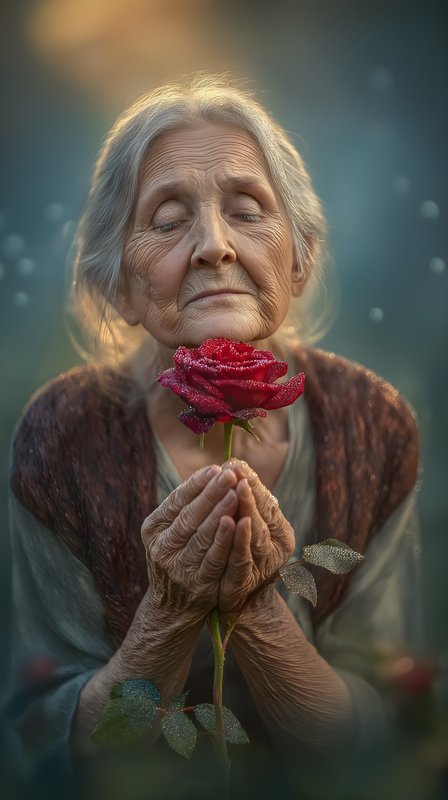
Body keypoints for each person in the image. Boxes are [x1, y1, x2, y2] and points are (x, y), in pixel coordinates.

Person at [5, 77, 422, 789]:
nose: (215, 246)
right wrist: (169, 613)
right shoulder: (62, 435)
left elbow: (383, 733)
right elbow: (53, 743)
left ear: (299, 259)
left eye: (248, 211)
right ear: (119, 285)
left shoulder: (371, 425)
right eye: (168, 221)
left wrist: (257, 613)